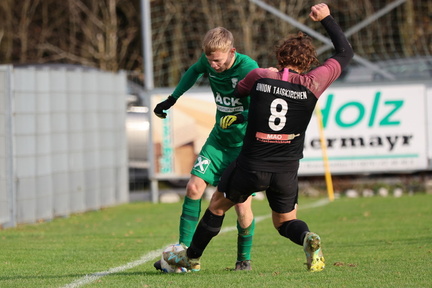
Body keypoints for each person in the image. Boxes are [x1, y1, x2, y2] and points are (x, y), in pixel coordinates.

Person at [163, 3, 354, 272]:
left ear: (278, 56)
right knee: (284, 222)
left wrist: (245, 108)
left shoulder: (261, 76)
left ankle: (191, 256)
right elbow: (346, 52)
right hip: (287, 168)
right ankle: (306, 237)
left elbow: (240, 93)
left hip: (252, 163)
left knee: (217, 205)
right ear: (310, 62)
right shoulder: (314, 83)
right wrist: (326, 19)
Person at [153, 27, 259, 271]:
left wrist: (241, 117)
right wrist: (172, 99)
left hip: (243, 147)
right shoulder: (208, 61)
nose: (212, 65)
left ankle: (244, 260)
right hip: (218, 141)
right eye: (209, 60)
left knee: (242, 206)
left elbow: (261, 106)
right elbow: (193, 72)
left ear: (232, 51)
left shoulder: (248, 68)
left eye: (218, 61)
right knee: (193, 187)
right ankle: (183, 255)